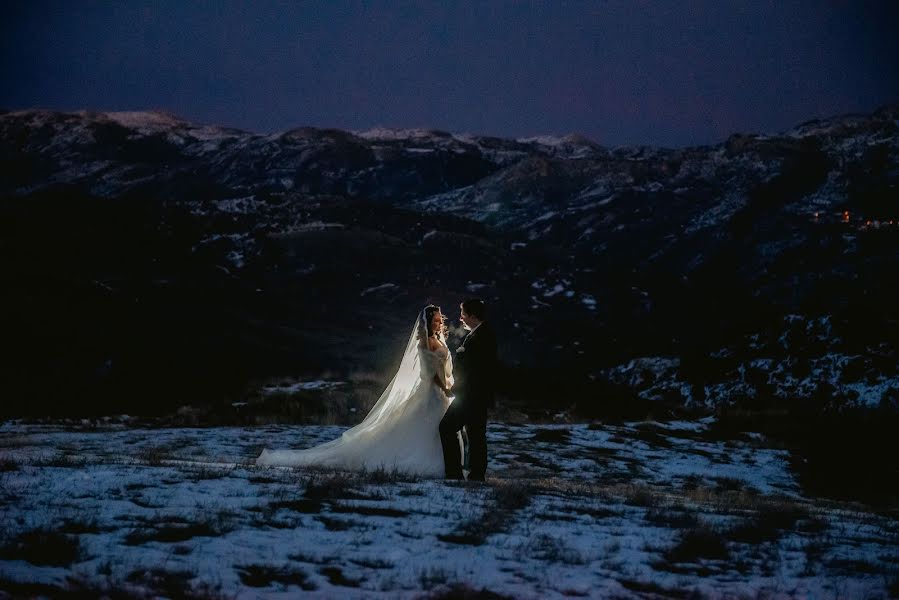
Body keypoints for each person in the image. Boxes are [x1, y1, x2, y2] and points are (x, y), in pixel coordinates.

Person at [255, 305, 459, 477]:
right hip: (433, 392)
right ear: (427, 322)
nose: (438, 323)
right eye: (435, 320)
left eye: (440, 320)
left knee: (436, 429)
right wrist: (446, 389)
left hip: (440, 391)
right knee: (428, 429)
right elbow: (432, 374)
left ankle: (449, 465)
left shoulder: (438, 341)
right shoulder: (426, 344)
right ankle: (434, 464)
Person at [439, 298, 497, 481]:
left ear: (472, 316)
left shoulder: (483, 336)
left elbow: (477, 371)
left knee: (447, 427)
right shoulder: (479, 333)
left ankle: (455, 473)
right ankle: (476, 475)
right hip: (475, 395)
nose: (461, 318)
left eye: (463, 314)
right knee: (475, 434)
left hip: (470, 396)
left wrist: (456, 389)